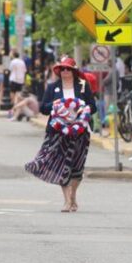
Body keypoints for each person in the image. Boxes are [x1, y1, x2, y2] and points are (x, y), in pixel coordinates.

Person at [26, 56, 96, 213]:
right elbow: (43, 108)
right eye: (62, 69)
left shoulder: (83, 86)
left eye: (68, 69)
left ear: (73, 71)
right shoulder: (52, 87)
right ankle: (66, 201)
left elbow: (93, 106)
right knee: (63, 166)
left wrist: (83, 109)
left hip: (80, 132)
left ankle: (73, 196)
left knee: (77, 167)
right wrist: (57, 105)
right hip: (58, 132)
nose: (65, 71)